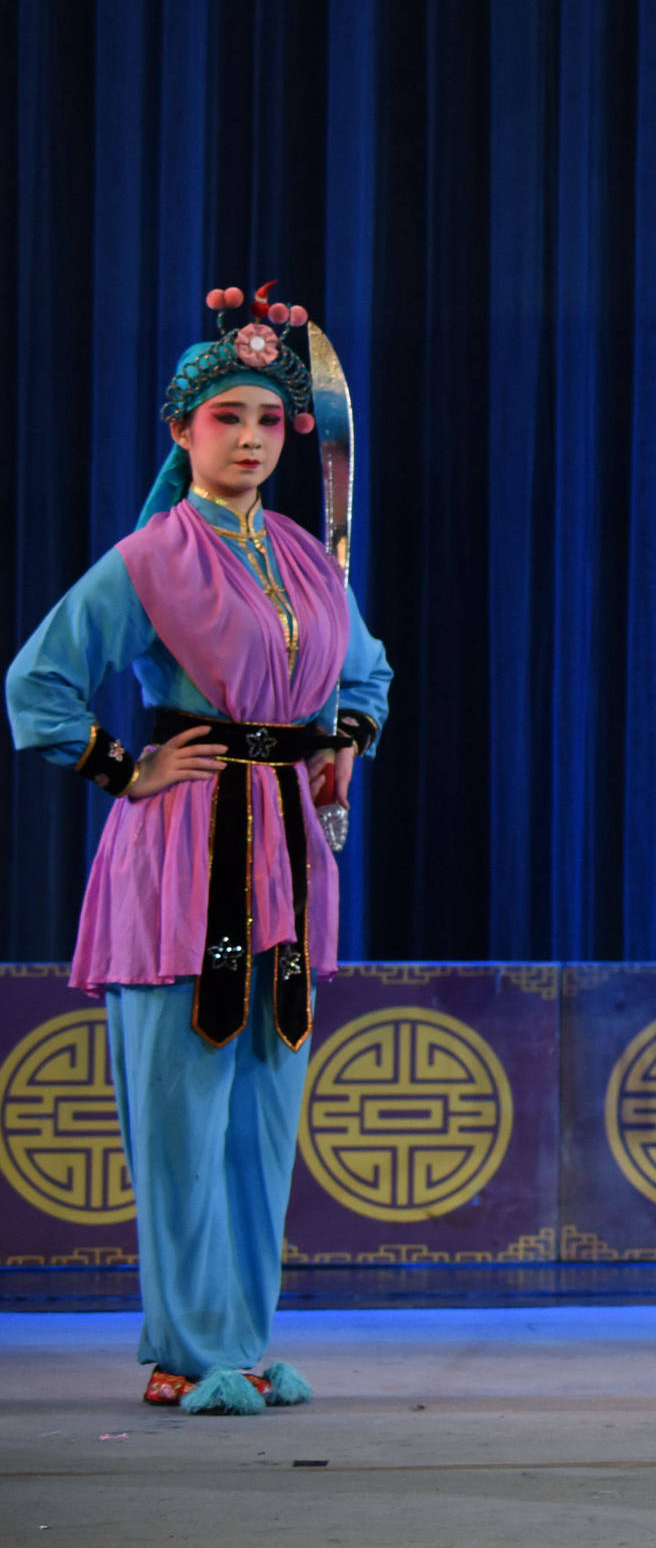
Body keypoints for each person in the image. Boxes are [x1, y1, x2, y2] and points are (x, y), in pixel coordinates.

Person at [7, 287, 393, 1413]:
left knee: (265, 1114)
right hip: (183, 852)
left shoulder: (306, 556)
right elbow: (38, 682)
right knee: (183, 1117)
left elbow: (365, 669)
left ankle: (247, 1338)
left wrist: (344, 740)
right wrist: (122, 767)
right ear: (182, 429)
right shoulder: (153, 558)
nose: (252, 439)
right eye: (228, 417)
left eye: (269, 420)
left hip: (284, 850)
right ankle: (187, 1347)